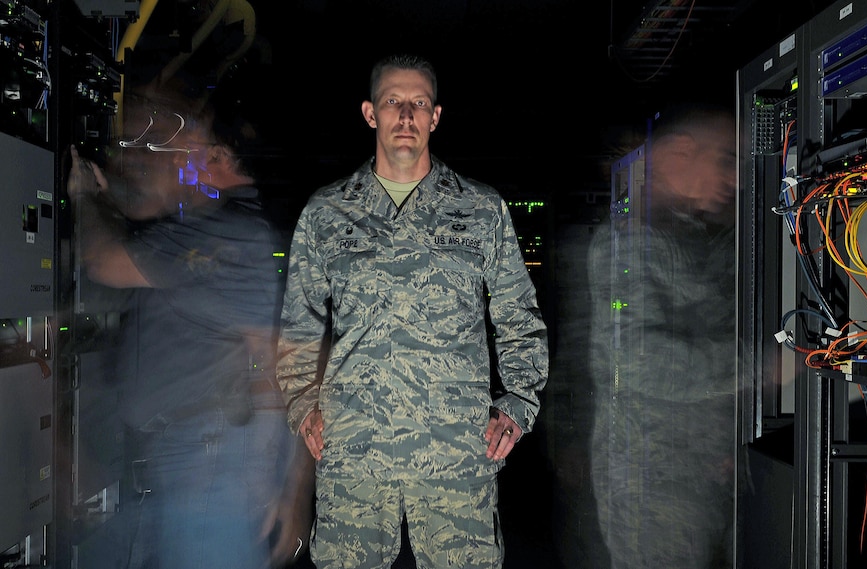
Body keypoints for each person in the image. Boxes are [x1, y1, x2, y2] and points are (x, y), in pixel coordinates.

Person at [276, 53, 549, 568]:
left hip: (455, 452)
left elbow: (518, 314)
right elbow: (299, 323)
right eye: (393, 102)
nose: (406, 116)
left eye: (418, 104)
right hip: (356, 449)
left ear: (436, 116)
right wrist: (301, 403)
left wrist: (517, 402)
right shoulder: (327, 213)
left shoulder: (480, 209)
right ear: (370, 113)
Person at [66, 86, 299, 569]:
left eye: (195, 146)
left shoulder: (223, 235)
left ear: (220, 156)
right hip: (191, 464)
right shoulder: (217, 227)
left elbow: (106, 260)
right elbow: (148, 217)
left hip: (207, 469)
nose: (179, 158)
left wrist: (83, 197)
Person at [585, 103, 738, 569]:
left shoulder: (684, 235)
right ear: (681, 153)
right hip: (654, 495)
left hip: (691, 480)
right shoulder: (630, 242)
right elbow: (636, 360)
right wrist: (761, 366)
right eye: (727, 159)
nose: (733, 179)